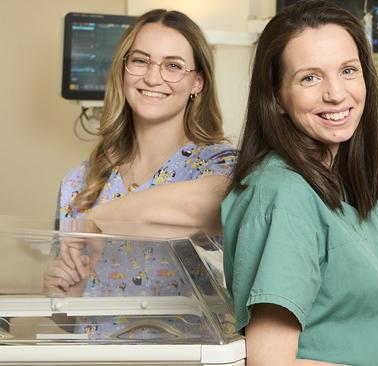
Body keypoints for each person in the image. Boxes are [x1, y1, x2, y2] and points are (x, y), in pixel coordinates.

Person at [221, 1, 378, 365]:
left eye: (348, 70)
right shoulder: (285, 195)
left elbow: (357, 327)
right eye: (309, 78)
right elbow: (270, 363)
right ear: (276, 98)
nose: (336, 93)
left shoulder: (348, 186)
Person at [43, 9, 237, 339]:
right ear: (123, 70)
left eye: (173, 66)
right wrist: (60, 293)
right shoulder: (80, 183)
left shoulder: (219, 165)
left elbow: (201, 208)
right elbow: (68, 319)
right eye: (140, 61)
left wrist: (95, 220)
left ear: (197, 82)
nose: (152, 77)